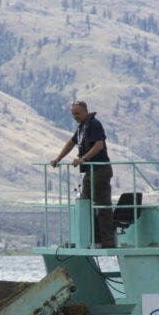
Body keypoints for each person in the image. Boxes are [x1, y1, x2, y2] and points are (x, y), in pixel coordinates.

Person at [50, 100, 115, 248]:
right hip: (90, 170)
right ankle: (91, 238)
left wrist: (84, 158)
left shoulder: (94, 124)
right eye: (72, 114)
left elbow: (99, 145)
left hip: (100, 169)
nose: (75, 116)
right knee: (85, 204)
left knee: (102, 205)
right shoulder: (82, 127)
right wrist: (58, 158)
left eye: (77, 113)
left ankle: (107, 241)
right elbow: (71, 143)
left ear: (85, 111)